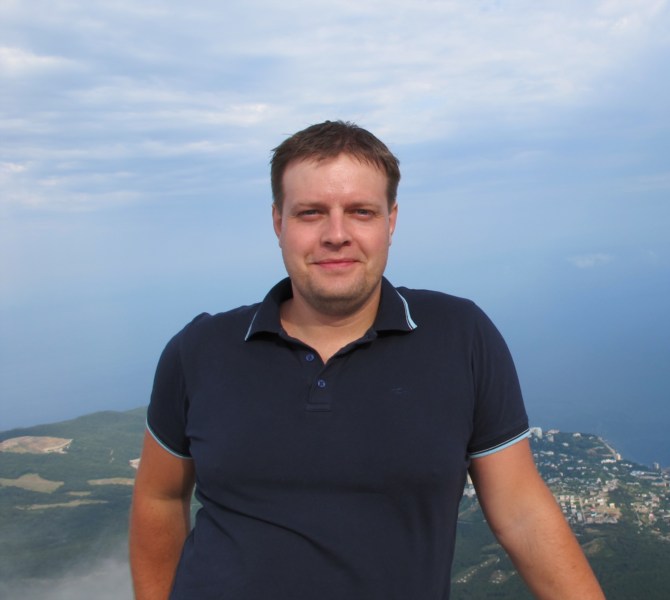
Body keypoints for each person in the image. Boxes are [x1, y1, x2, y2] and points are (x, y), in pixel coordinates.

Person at [129, 120, 605, 599]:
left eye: (361, 212)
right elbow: (159, 497)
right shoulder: (200, 349)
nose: (336, 234)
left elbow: (521, 511)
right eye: (311, 213)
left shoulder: (461, 336)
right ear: (278, 222)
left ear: (390, 221)